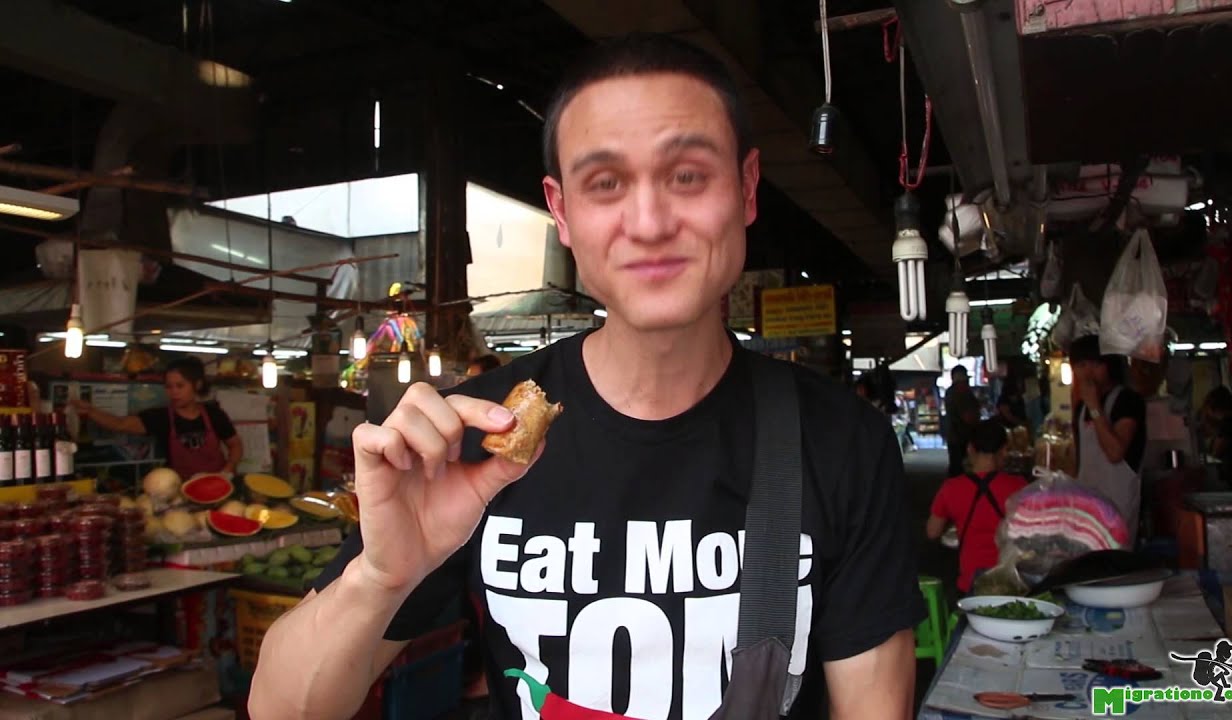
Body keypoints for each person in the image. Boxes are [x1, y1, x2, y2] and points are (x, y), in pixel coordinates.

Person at [249, 33, 923, 720]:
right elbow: (280, 710)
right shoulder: (476, 434)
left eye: (688, 174)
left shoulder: (841, 442)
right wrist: (382, 576)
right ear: (563, 210)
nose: (651, 222)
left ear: (747, 189)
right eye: (605, 184)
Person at [71, 356, 242, 477]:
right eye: (169, 387)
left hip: (218, 486)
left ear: (197, 385)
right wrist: (91, 411)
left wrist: (229, 467)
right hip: (179, 491)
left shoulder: (214, 414)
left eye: (180, 386)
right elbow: (120, 424)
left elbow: (235, 445)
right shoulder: (160, 418)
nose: (174, 392)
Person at [926, 420, 1028, 594]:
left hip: (971, 584)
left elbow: (932, 532)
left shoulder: (951, 488)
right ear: (1004, 451)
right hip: (1012, 582)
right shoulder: (1019, 486)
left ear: (970, 449)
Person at [1069, 334, 1147, 545]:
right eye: (1081, 365)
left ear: (1109, 366)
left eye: (1095, 364)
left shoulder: (1127, 401)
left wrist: (1095, 406)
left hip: (1118, 507)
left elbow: (1115, 453)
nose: (1088, 372)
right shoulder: (1080, 409)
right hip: (1087, 509)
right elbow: (1078, 464)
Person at [945, 365, 981, 476]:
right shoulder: (960, 393)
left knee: (957, 468)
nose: (967, 383)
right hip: (962, 437)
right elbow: (967, 417)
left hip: (956, 437)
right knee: (961, 469)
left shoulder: (951, 392)